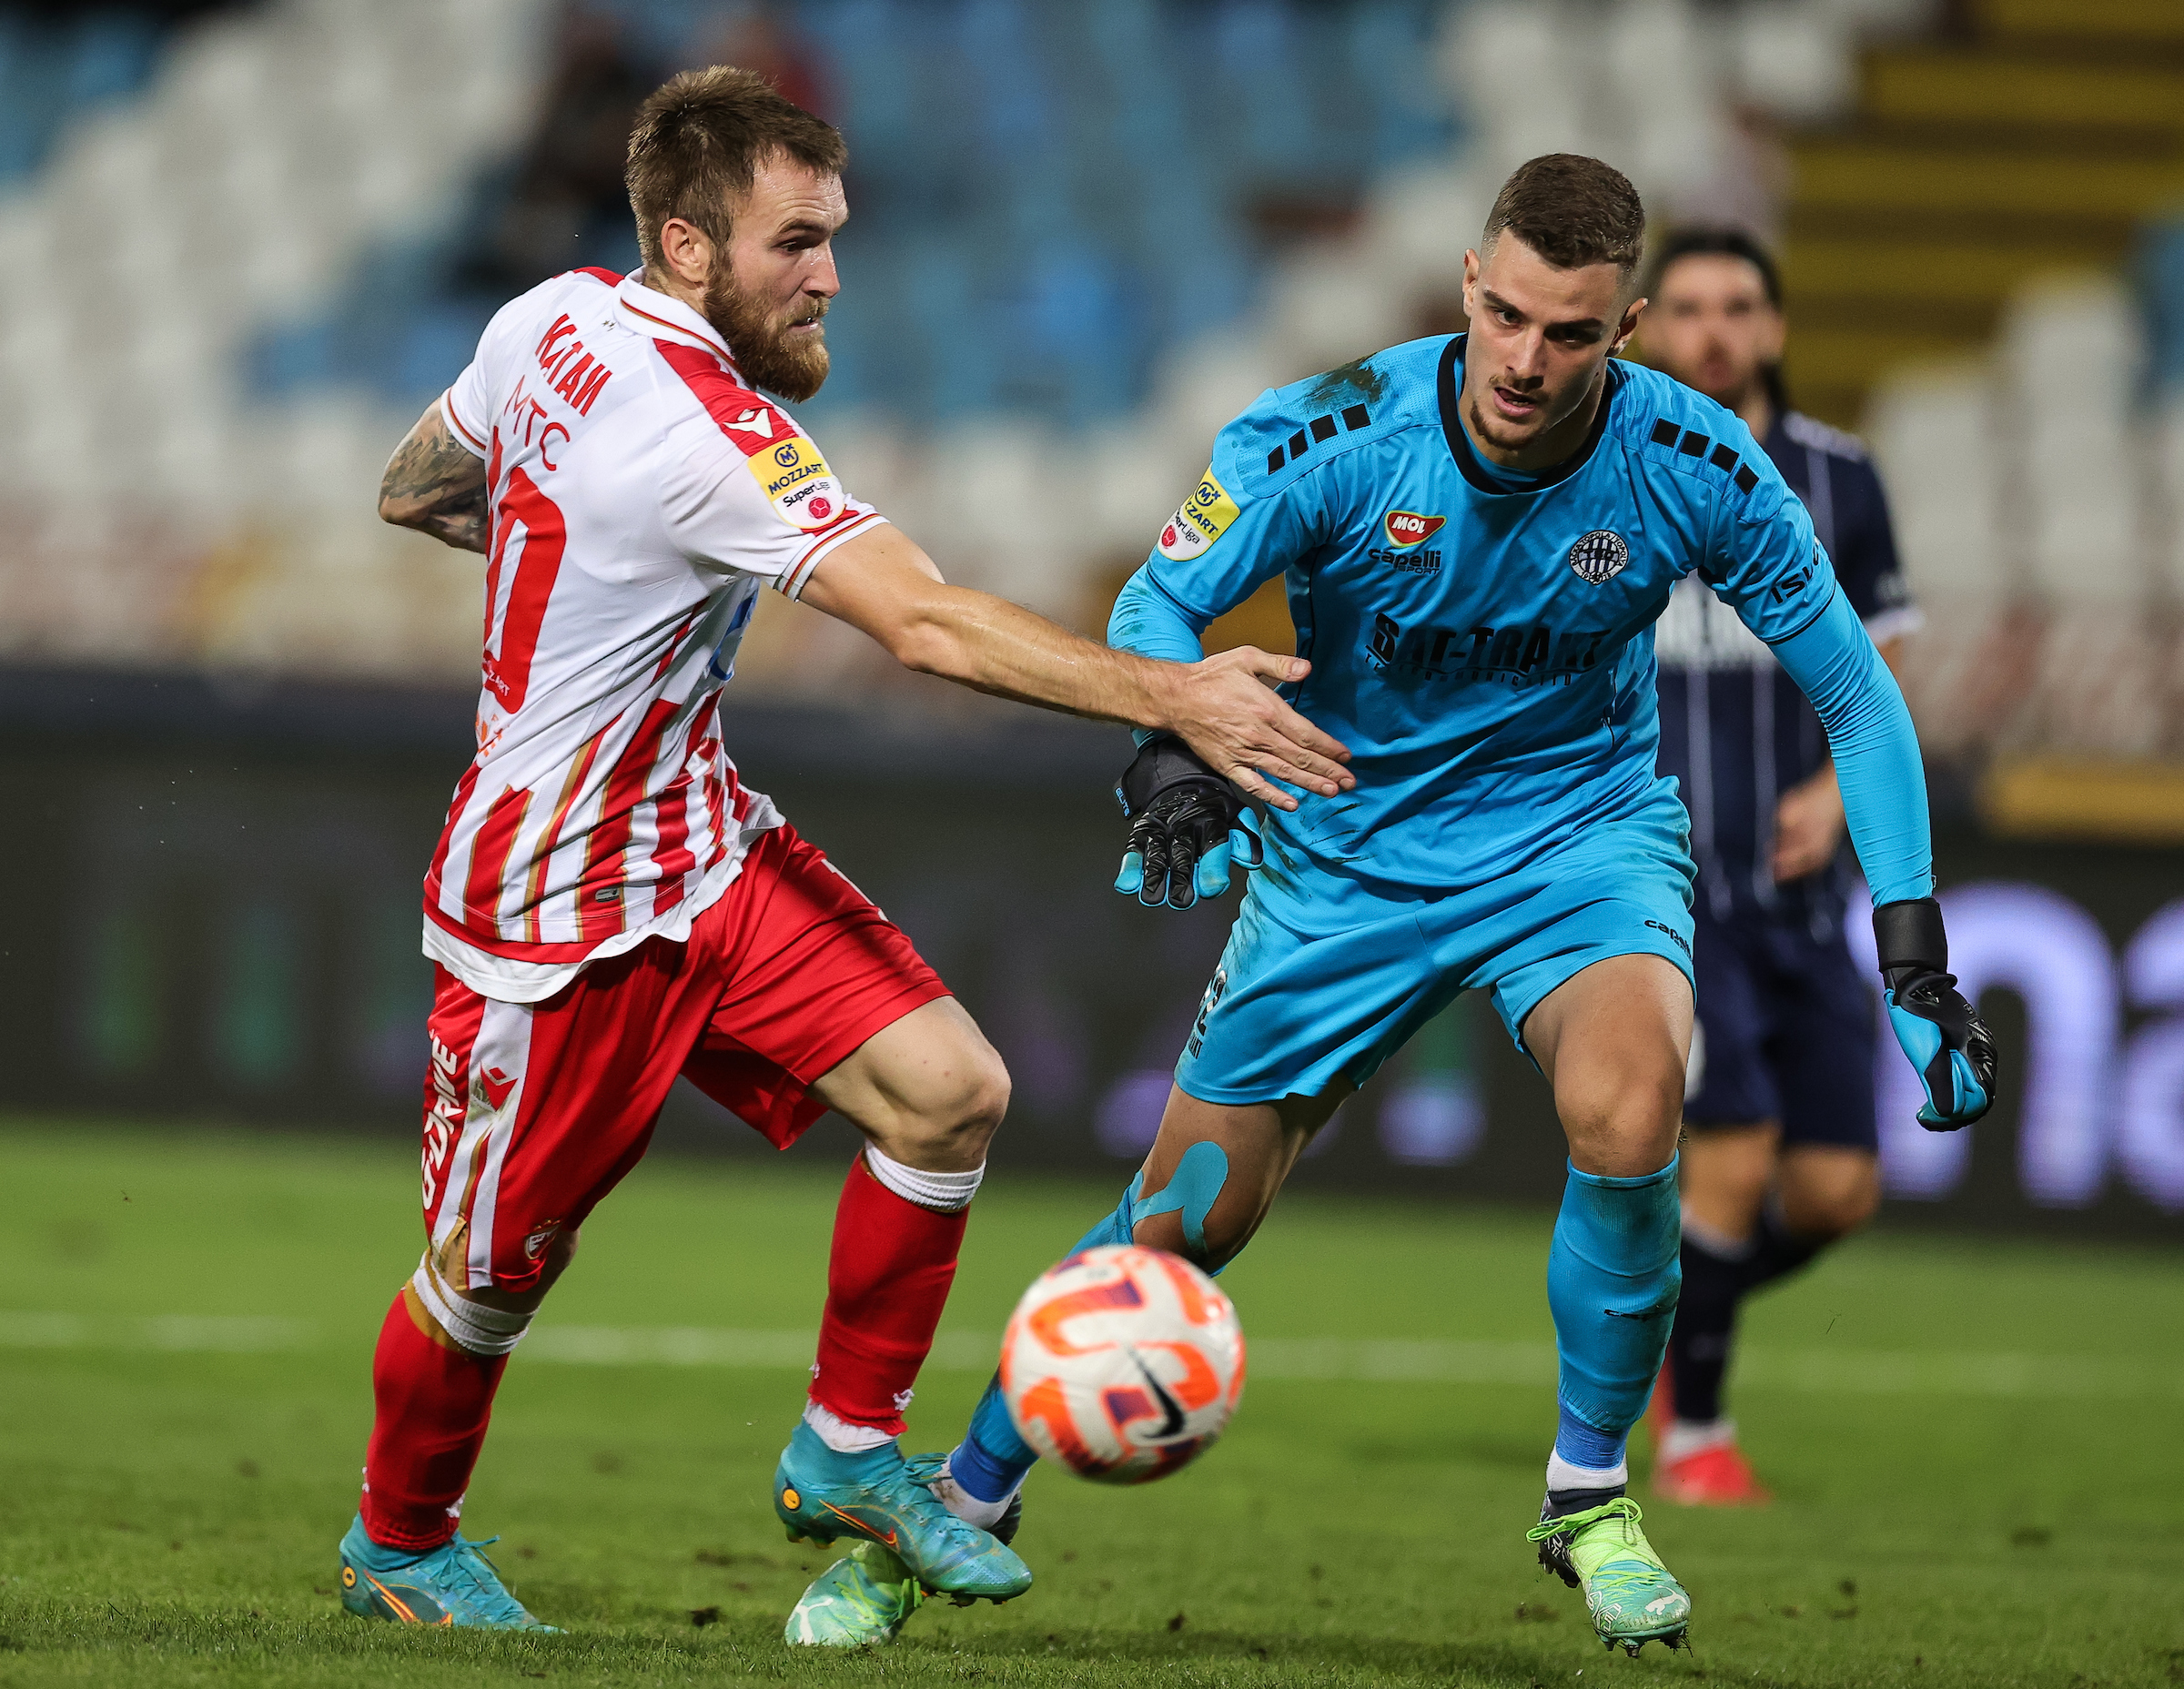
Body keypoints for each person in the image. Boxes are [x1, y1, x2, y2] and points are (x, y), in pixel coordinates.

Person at [787, 154, 1994, 1655]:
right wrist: (1175, 758)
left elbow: (1859, 699)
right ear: (1470, 286)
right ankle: (952, 1515)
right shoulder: (1328, 436)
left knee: (1632, 1109)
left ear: (1624, 331)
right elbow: (1153, 611)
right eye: (1504, 318)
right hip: (1343, 855)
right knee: (1181, 1224)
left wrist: (1916, 949)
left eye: (1570, 335)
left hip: (1580, 845)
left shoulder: (1699, 465)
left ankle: (1589, 1495)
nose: (1526, 362)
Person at [339, 66, 1354, 1631]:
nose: (829, 277)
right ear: (686, 248)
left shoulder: (544, 317)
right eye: (793, 243)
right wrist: (1178, 696)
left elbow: (418, 487)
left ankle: (847, 1448)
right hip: (550, 904)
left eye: (835, 236)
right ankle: (397, 1549)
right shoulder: (711, 434)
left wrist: (571, 536)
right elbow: (930, 627)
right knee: (484, 1285)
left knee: (951, 1092)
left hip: (699, 844)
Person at [1635, 228, 1924, 1506]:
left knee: (1836, 1192)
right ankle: (1696, 1438)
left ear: (1775, 326)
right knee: (1734, 1149)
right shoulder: (1606, 474)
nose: (1712, 329)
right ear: (1644, 330)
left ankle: (1657, 1327)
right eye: (1686, 306)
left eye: (1737, 305)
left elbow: (1886, 663)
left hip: (1802, 894)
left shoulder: (1840, 482)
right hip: (1668, 894)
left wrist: (1832, 793)